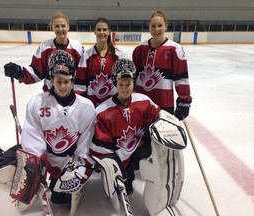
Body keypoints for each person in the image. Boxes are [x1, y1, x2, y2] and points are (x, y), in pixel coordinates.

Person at [0, 50, 95, 213]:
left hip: (67, 162)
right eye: (58, 81)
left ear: (73, 80)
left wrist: (78, 168)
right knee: (15, 168)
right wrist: (35, 168)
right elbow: (32, 137)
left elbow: (85, 145)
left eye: (66, 81)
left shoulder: (86, 107)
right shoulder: (37, 103)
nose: (62, 86)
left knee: (60, 198)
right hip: (45, 158)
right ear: (52, 79)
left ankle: (54, 183)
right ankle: (15, 171)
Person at [89, 58, 161, 195]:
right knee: (126, 189)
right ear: (115, 83)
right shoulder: (103, 111)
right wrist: (114, 166)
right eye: (121, 84)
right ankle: (123, 172)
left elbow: (158, 121)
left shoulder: (144, 102)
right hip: (118, 156)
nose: (124, 88)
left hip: (139, 150)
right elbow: (101, 147)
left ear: (134, 83)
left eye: (128, 84)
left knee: (159, 149)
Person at [132, 10, 192, 120]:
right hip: (141, 106)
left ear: (166, 27)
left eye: (160, 25)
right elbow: (133, 78)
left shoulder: (175, 49)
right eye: (153, 26)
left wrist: (184, 101)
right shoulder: (139, 49)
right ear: (149, 27)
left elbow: (182, 78)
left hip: (164, 106)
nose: (156, 29)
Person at [4, 12, 84, 92]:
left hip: (72, 96)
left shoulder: (77, 47)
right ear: (52, 28)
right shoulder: (45, 47)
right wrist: (19, 72)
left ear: (68, 27)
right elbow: (36, 71)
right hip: (50, 94)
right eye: (56, 26)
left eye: (63, 26)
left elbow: (83, 73)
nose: (60, 29)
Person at [74, 17, 123, 107]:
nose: (102, 32)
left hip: (112, 106)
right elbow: (80, 84)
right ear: (94, 32)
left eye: (104, 30)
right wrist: (83, 105)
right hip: (91, 106)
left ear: (109, 32)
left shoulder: (117, 56)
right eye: (99, 30)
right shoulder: (87, 56)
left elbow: (122, 82)